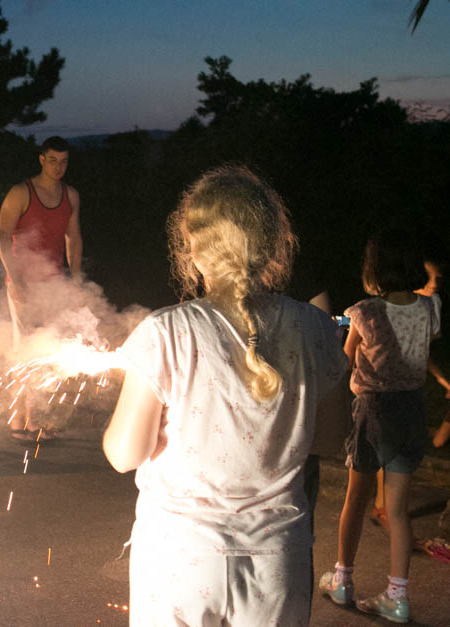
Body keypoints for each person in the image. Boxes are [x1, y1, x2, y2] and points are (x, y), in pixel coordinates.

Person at [103, 165, 349, 626]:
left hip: (177, 555)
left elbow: (124, 455)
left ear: (192, 247)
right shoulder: (316, 328)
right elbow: (331, 439)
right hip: (277, 561)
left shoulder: (166, 331)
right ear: (272, 245)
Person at [319, 228, 442, 623]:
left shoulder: (364, 312)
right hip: (413, 411)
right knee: (399, 511)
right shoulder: (429, 309)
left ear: (375, 268)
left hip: (374, 412)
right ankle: (398, 596)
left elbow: (344, 362)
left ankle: (343, 580)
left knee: (357, 498)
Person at [0, 136, 83, 441]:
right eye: (53, 160)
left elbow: (73, 238)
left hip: (54, 282)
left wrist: (76, 278)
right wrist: (14, 278)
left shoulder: (70, 195)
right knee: (29, 348)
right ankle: (25, 421)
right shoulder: (21, 193)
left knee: (46, 348)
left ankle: (26, 418)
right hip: (23, 282)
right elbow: (2, 236)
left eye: (64, 161)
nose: (59, 167)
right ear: (41, 159)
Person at [370, 256, 450, 528]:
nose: (435, 284)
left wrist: (441, 379)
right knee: (388, 450)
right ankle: (384, 507)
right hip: (387, 386)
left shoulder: (431, 305)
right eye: (431, 278)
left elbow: (422, 349)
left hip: (411, 387)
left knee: (400, 451)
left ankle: (388, 508)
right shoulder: (392, 304)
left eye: (439, 279)